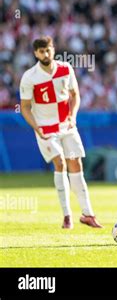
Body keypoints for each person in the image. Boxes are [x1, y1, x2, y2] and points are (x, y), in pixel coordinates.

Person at [19, 36, 102, 229]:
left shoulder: (66, 68)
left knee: (76, 164)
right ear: (35, 53)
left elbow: (75, 96)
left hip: (66, 126)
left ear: (53, 49)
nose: (45, 54)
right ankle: (67, 215)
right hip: (46, 128)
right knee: (60, 162)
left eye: (48, 50)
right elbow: (24, 107)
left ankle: (88, 214)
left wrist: (73, 116)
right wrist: (36, 127)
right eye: (41, 51)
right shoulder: (30, 77)